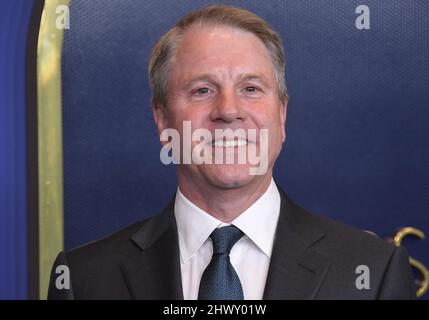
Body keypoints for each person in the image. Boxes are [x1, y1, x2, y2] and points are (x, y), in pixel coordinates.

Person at [48, 5, 416, 300]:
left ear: (282, 116)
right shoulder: (84, 280)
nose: (228, 110)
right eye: (202, 90)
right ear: (162, 121)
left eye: (251, 88)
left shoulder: (373, 273)